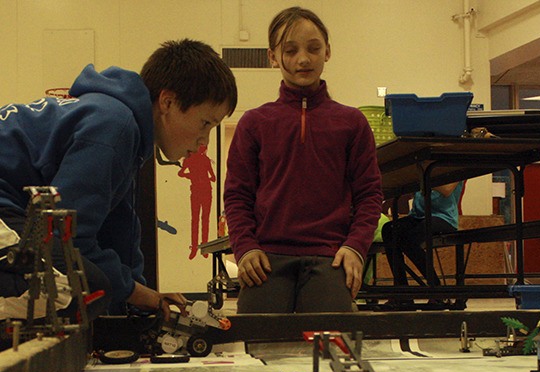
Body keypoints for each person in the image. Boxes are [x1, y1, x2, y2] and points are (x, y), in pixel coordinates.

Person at [0, 39, 238, 320]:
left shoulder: (124, 125)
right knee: (83, 288)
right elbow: (67, 236)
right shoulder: (114, 125)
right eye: (205, 124)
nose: (203, 142)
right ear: (168, 101)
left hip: (12, 209)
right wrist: (134, 292)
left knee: (93, 286)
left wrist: (139, 298)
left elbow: (119, 229)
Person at [224, 6, 383, 314]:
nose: (303, 59)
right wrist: (245, 248)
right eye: (290, 50)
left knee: (332, 349)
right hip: (266, 258)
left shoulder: (352, 123)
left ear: (328, 52)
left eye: (313, 48)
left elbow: (369, 195)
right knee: (257, 349)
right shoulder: (254, 123)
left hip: (330, 257)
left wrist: (355, 247)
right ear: (273, 57)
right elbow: (237, 195)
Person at [382, 180, 464, 288]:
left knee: (410, 237)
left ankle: (435, 286)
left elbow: (446, 189)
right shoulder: (421, 165)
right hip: (418, 216)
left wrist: (423, 178)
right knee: (389, 229)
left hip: (443, 218)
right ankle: (402, 289)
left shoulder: (451, 164)